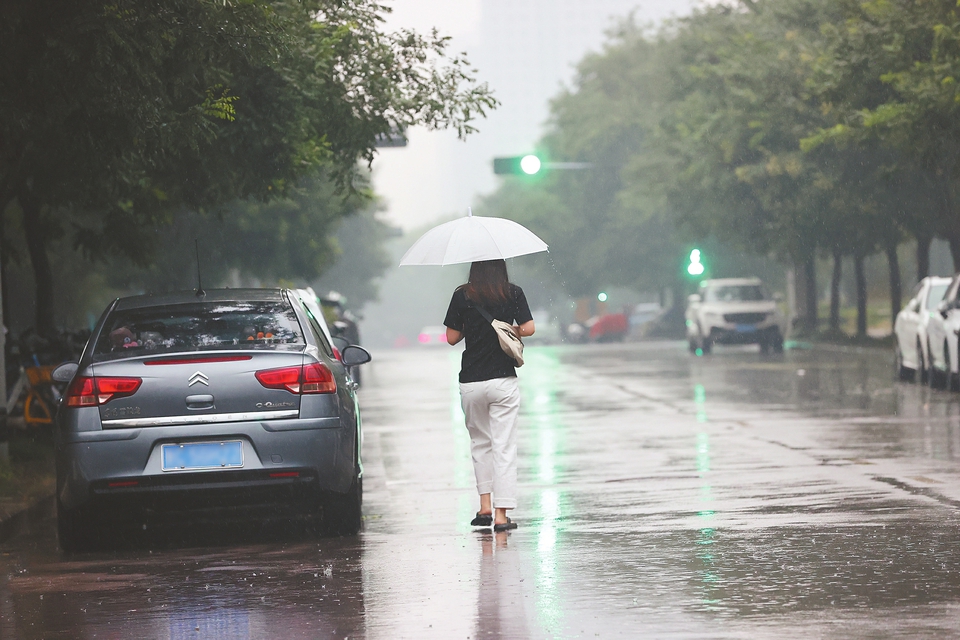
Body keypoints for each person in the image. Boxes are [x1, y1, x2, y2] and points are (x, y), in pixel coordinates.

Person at [443, 259, 535, 532]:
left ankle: (484, 505)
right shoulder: (513, 292)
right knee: (503, 447)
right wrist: (509, 329)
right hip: (502, 380)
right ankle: (501, 515)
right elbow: (528, 328)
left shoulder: (463, 295)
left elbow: (451, 337)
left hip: (471, 381)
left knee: (480, 444)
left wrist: (471, 326)